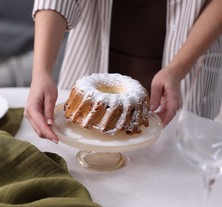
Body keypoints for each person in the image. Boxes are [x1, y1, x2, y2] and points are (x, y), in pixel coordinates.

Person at [24, 0, 222, 143]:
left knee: (179, 172)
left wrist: (177, 70)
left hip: (187, 65)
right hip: (92, 56)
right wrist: (42, 71)